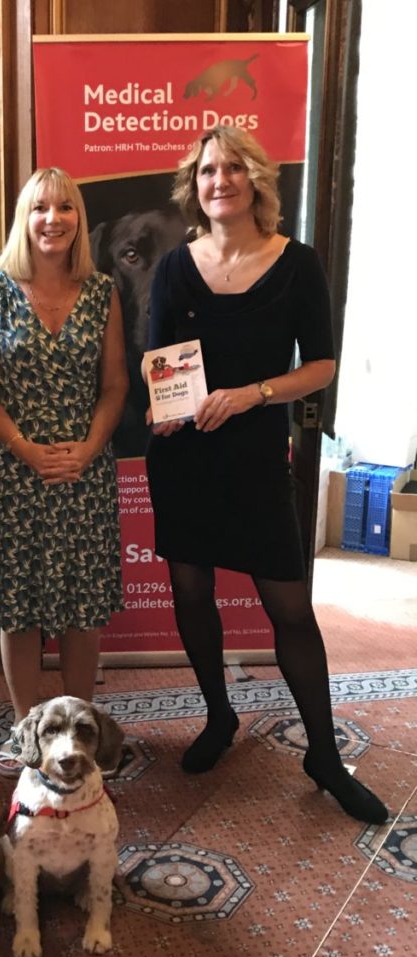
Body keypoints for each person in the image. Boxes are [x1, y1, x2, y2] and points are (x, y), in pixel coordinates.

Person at [145, 126, 387, 824]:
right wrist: (163, 408)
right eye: (205, 171)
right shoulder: (172, 267)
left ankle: (324, 754)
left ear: (255, 179)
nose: (218, 181)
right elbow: (159, 363)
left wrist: (252, 394)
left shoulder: (298, 264)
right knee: (190, 591)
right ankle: (219, 717)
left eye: (231, 169)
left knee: (289, 608)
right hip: (185, 458)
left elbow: (321, 366)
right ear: (195, 186)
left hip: (254, 457)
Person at [0, 167, 128, 771]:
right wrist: (25, 447)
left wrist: (86, 446)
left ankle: (77, 732)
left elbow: (115, 385)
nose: (52, 220)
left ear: (79, 220)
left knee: (82, 608)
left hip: (84, 471)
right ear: (24, 219)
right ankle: (25, 729)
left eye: (64, 209)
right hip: (12, 470)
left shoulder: (103, 291)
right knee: (20, 607)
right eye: (40, 209)